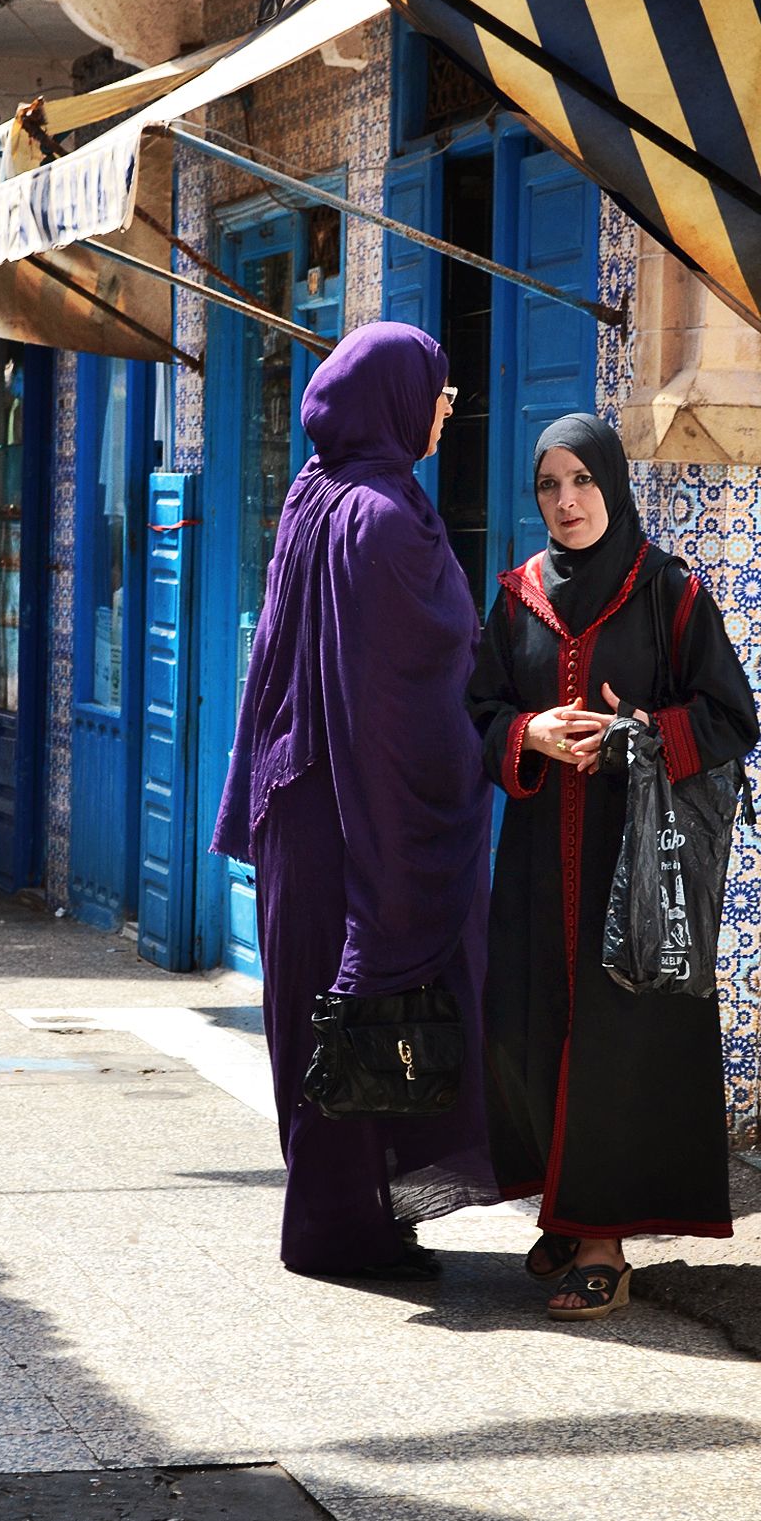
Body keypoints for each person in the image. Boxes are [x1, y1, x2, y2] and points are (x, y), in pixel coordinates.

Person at [211, 321, 495, 1279]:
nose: (447, 408)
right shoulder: (378, 515)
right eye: (438, 391)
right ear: (395, 400)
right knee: (360, 1009)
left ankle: (352, 1216)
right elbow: (404, 688)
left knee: (324, 1018)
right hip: (352, 806)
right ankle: (341, 1232)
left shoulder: (315, 492)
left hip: (300, 801)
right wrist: (493, 736)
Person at [467, 413, 759, 1321]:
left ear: (613, 484)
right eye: (548, 485)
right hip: (534, 867)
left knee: (614, 1046)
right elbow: (478, 712)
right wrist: (529, 733)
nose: (566, 501)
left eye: (582, 480)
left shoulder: (669, 590)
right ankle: (564, 1209)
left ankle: (602, 1244)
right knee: (527, 1033)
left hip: (633, 868)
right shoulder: (517, 596)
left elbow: (730, 717)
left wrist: (637, 738)